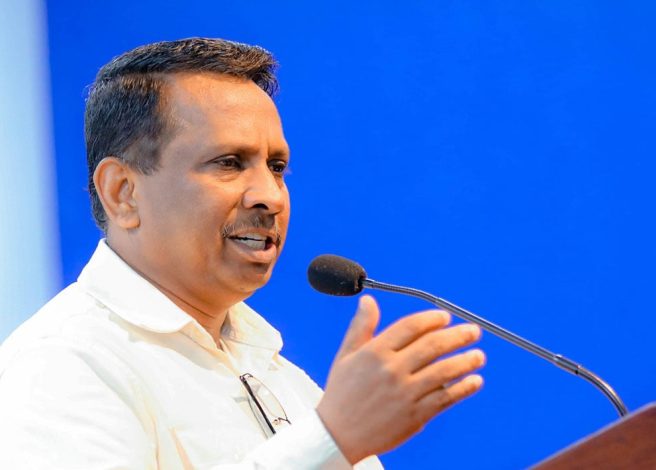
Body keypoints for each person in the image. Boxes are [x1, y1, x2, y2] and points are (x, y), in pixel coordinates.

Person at [0, 38, 486, 469]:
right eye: (229, 163)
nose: (270, 196)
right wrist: (331, 439)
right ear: (123, 192)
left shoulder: (279, 375)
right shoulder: (62, 363)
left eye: (276, 166)